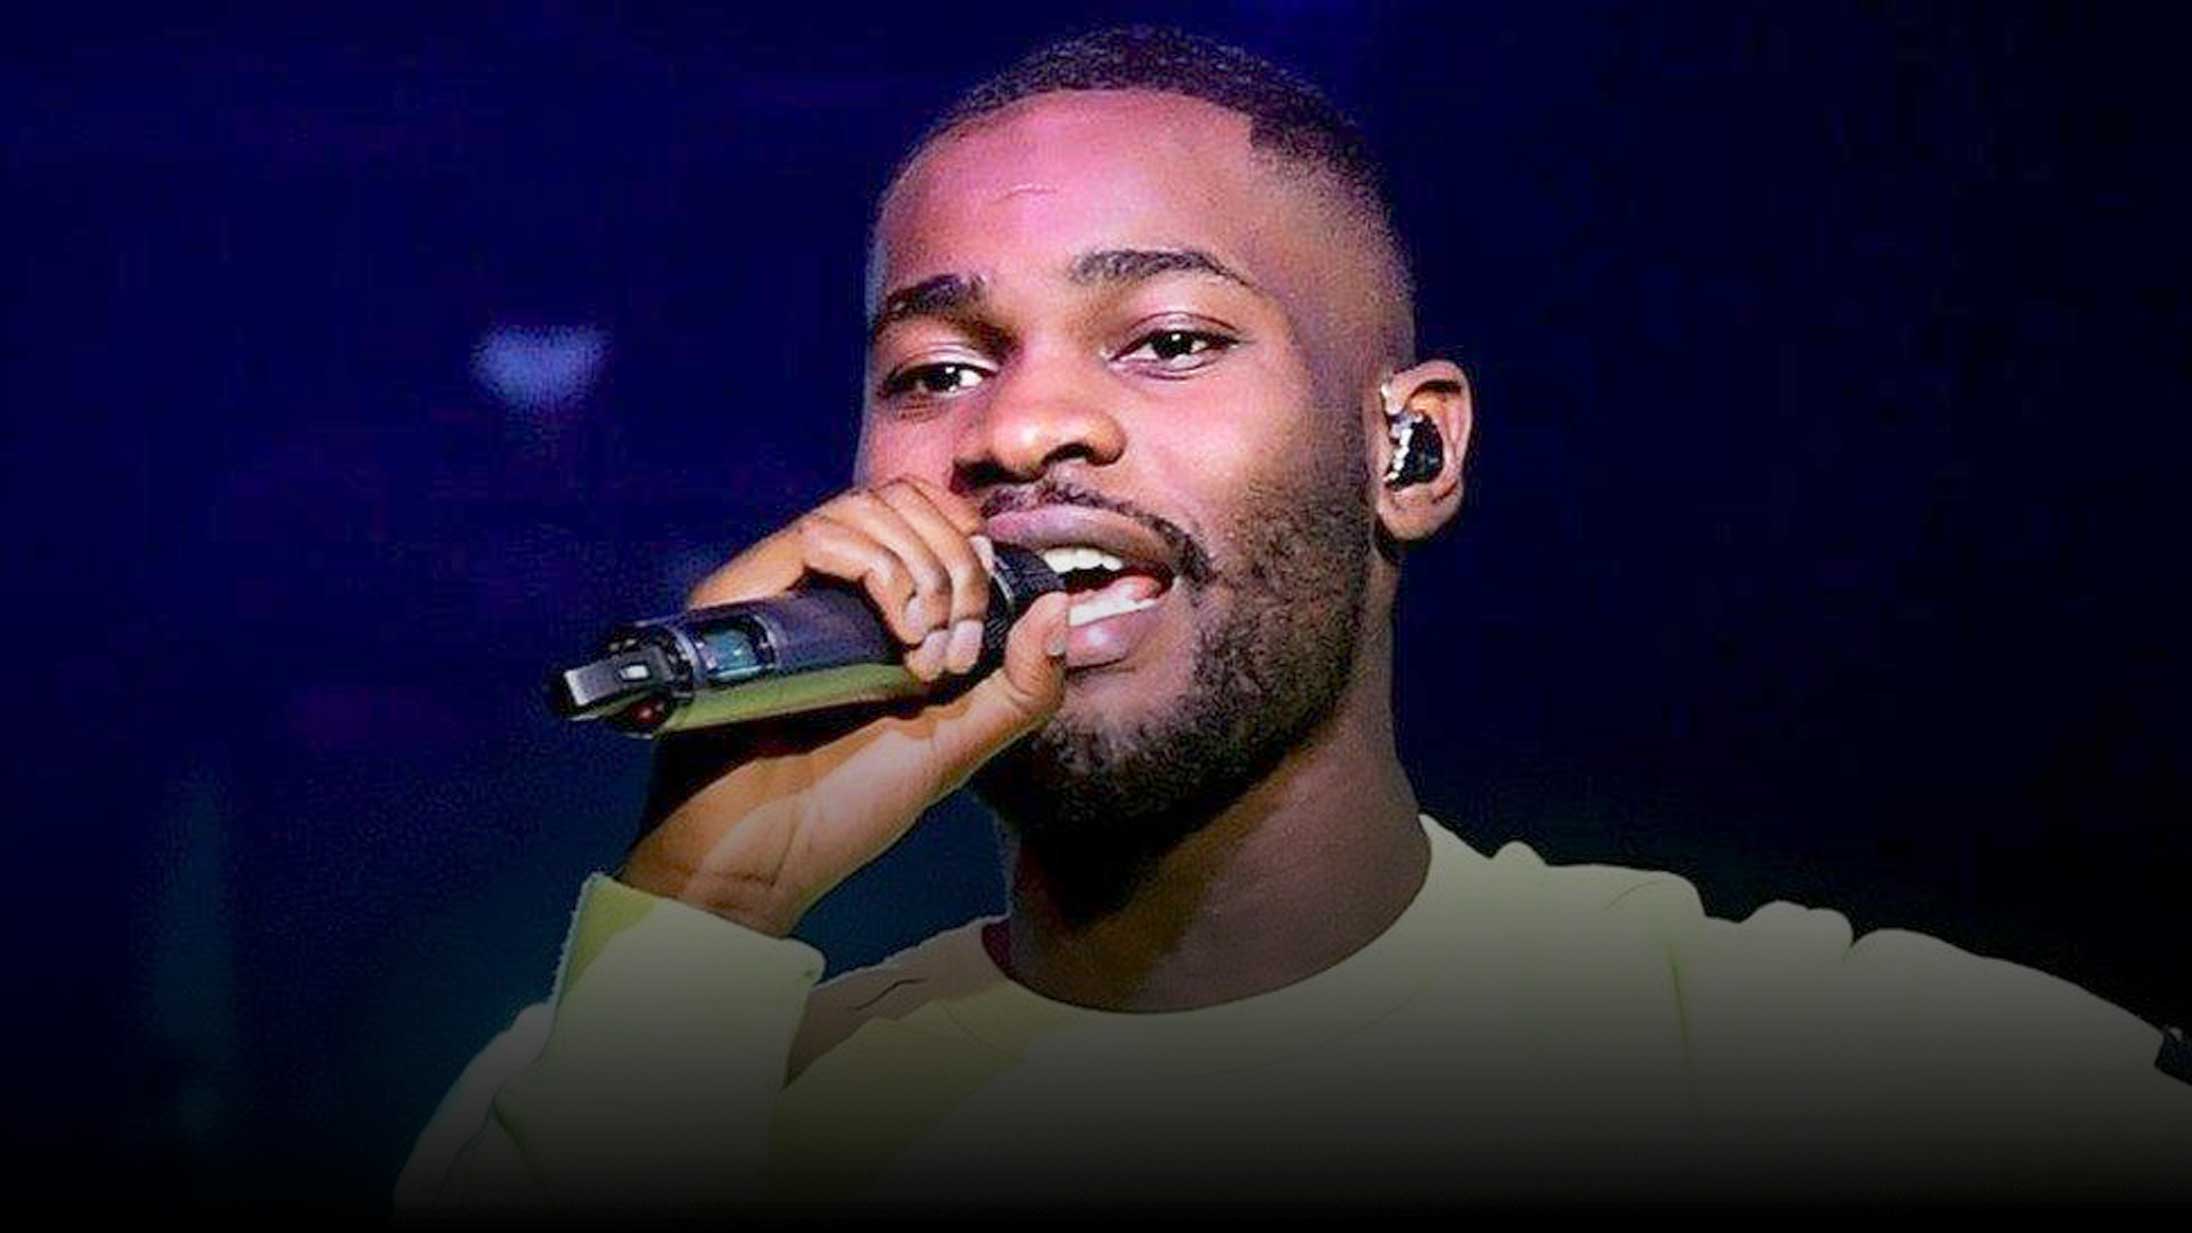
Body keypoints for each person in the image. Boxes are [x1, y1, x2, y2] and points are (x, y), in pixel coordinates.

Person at [396, 26, 2189, 1210]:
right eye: (937, 367)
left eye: (1169, 339)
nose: (1020, 429)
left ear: (1408, 449)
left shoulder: (1807, 1074)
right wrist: (703, 908)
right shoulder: (674, 1102)